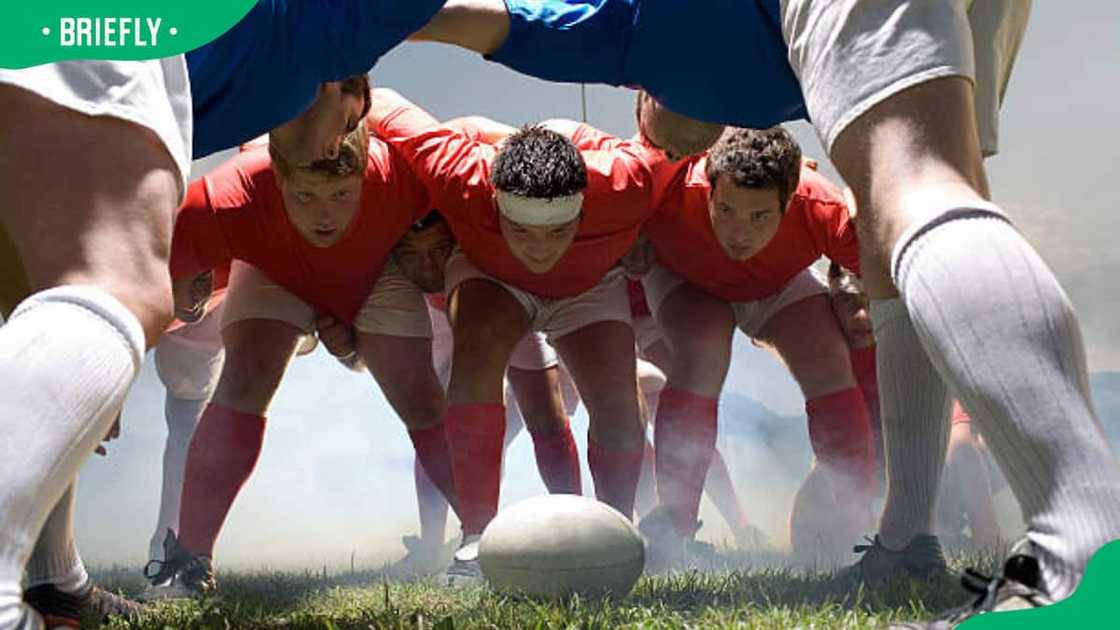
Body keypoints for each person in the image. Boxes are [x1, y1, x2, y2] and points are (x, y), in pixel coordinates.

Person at [415, 0, 1120, 615]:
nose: (669, 144)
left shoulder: (637, 30)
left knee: (919, 193)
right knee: (925, 192)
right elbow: (484, 27)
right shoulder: (653, 135)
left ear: (640, 90)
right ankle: (907, 538)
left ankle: (1086, 555)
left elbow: (495, 21)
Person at [141, 117, 448, 598]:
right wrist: (107, 397)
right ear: (278, 178)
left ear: (367, 173)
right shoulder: (229, 192)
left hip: (373, 270)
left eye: (341, 195)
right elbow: (124, 289)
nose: (324, 216)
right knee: (244, 379)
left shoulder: (407, 177)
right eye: (305, 196)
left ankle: (483, 540)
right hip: (273, 264)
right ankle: (190, 561)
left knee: (420, 395)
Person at [369, 89, 657, 586]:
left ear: (585, 211)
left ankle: (615, 534)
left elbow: (687, 157)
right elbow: (376, 98)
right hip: (490, 273)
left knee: (618, 404)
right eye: (521, 230)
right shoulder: (458, 167)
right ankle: (475, 541)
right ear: (493, 202)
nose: (538, 250)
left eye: (554, 231)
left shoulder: (621, 180)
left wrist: (648, 231)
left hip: (588, 280)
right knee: (475, 352)